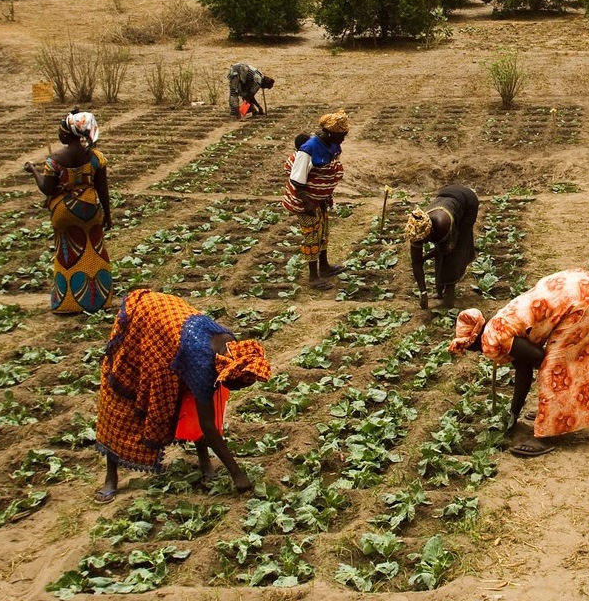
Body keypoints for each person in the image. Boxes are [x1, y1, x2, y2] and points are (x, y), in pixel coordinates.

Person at [93, 288, 271, 502]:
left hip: (170, 329)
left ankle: (204, 461)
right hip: (140, 321)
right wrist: (238, 475)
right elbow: (208, 425)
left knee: (191, 399)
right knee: (121, 399)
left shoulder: (229, 344)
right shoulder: (203, 364)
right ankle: (110, 477)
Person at [449, 269, 589, 458]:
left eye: (471, 348)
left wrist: (545, 400)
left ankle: (545, 435)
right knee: (561, 362)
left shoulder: (491, 340)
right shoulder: (497, 322)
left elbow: (537, 359)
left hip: (580, 300)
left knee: (553, 368)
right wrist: (514, 413)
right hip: (584, 283)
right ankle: (555, 413)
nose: (475, 352)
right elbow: (523, 369)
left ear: (473, 341)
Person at [26, 112, 112, 315]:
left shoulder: (55, 161)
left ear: (68, 134)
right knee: (94, 252)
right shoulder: (96, 158)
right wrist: (107, 214)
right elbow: (103, 189)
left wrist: (33, 171)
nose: (58, 134)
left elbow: (47, 189)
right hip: (90, 209)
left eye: (61, 130)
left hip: (64, 212)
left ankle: (68, 303)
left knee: (67, 255)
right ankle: (98, 301)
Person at [286, 112, 350, 286]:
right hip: (305, 201)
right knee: (312, 235)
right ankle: (313, 277)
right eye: (341, 135)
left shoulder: (332, 145)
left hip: (320, 199)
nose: (343, 139)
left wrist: (326, 195)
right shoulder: (309, 149)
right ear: (330, 132)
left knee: (323, 233)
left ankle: (325, 266)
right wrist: (307, 203)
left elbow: (328, 172)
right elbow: (297, 179)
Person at [406, 185, 480, 310]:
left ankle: (449, 293)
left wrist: (425, 257)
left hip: (467, 201)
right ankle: (440, 290)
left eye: (423, 240)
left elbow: (445, 250)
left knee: (455, 252)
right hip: (446, 195)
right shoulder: (415, 230)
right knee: (442, 254)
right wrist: (423, 293)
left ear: (430, 232)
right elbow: (416, 263)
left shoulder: (442, 224)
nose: (420, 243)